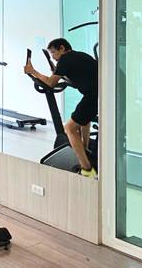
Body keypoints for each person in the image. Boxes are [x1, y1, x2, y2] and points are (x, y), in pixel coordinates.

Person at [24, 37, 98, 176]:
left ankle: (87, 170)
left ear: (62, 48)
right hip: (99, 94)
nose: (53, 57)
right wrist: (60, 73)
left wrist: (33, 71)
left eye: (53, 52)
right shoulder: (77, 56)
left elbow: (51, 83)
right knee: (83, 119)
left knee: (69, 128)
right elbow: (76, 79)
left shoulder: (65, 59)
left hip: (94, 96)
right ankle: (85, 150)